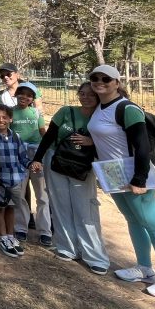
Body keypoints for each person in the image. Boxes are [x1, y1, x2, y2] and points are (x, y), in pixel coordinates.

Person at [86, 65, 155, 298]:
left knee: (151, 223)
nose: (99, 82)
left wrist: (139, 179)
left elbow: (142, 146)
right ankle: (144, 268)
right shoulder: (100, 107)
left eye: (106, 79)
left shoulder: (126, 108)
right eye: (95, 78)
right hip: (112, 172)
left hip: (133, 173)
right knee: (133, 220)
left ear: (117, 83)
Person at [30, 82, 110, 274]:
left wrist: (92, 142)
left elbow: (110, 142)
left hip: (82, 166)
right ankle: (67, 247)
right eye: (82, 93)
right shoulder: (66, 112)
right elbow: (49, 136)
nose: (85, 97)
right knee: (60, 205)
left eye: (90, 94)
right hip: (57, 160)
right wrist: (38, 158)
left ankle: (95, 256)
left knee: (85, 209)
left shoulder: (102, 117)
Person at [10, 83, 50, 246]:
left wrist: (48, 149)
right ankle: (21, 227)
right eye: (21, 94)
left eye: (29, 95)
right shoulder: (10, 112)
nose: (24, 97)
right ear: (16, 95)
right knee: (19, 194)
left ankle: (45, 230)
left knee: (42, 193)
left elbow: (42, 132)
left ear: (32, 99)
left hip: (36, 155)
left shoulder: (36, 112)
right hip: (18, 154)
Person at [0, 104, 30, 258]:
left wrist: (31, 165)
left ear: (10, 119)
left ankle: (11, 235)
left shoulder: (15, 136)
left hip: (15, 178)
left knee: (11, 207)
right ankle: (3, 237)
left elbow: (23, 157)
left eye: (4, 117)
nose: (1, 120)